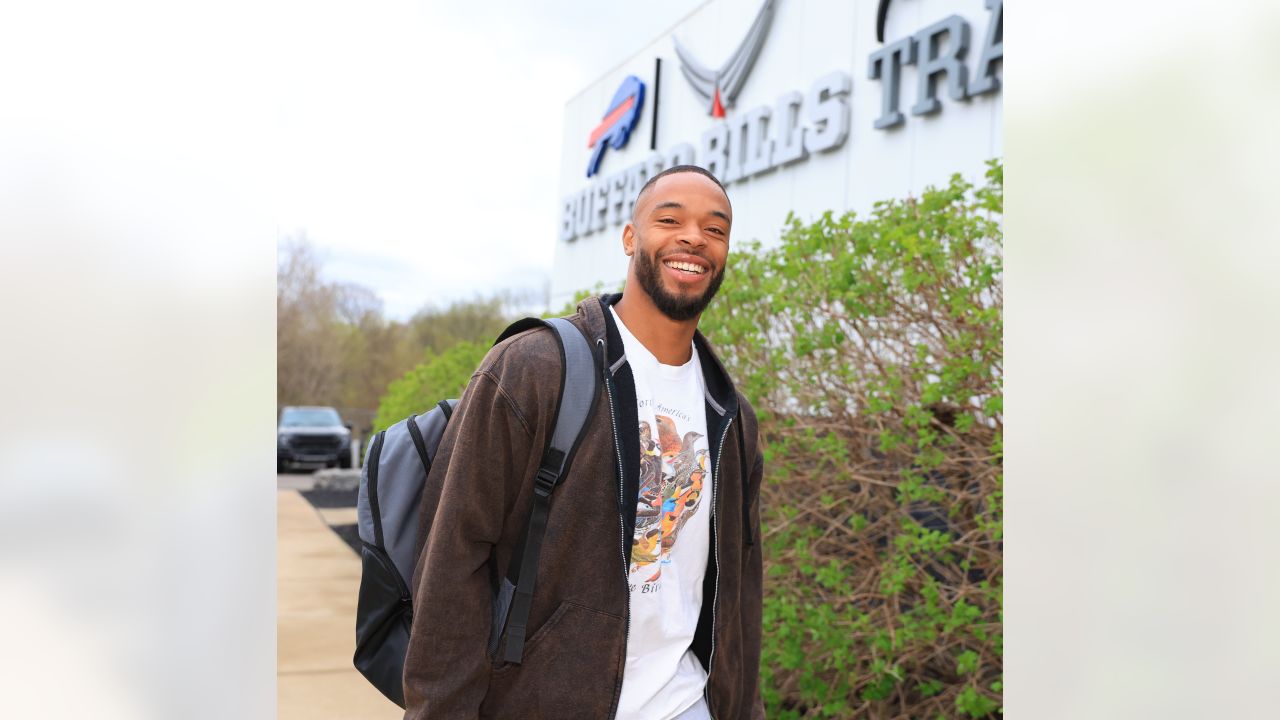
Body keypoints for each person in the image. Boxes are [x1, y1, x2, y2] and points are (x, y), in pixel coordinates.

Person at [402, 165, 765, 719]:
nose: (694, 237)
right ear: (630, 237)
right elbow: (452, 557)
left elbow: (739, 591)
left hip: (686, 704)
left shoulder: (731, 413)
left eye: (715, 230)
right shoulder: (535, 368)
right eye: (670, 219)